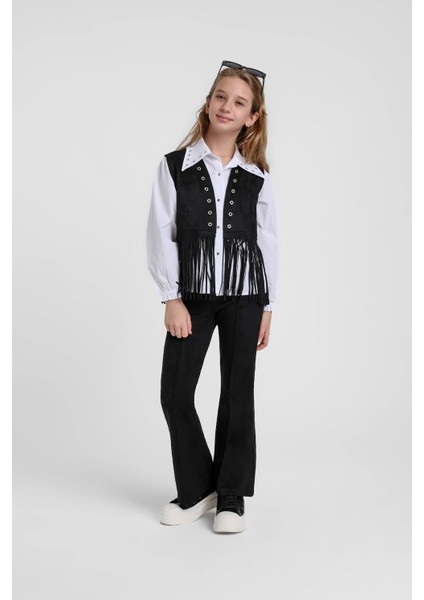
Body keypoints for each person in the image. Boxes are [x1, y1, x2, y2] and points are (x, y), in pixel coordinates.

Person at [146, 60, 278, 534]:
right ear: (208, 102)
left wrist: (268, 306)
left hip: (245, 296)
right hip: (192, 298)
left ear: (252, 117)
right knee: (175, 392)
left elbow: (268, 241)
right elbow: (161, 234)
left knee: (238, 392)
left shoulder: (257, 175)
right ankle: (198, 487)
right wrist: (171, 297)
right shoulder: (175, 167)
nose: (227, 106)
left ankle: (231, 495)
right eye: (221, 96)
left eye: (239, 102)